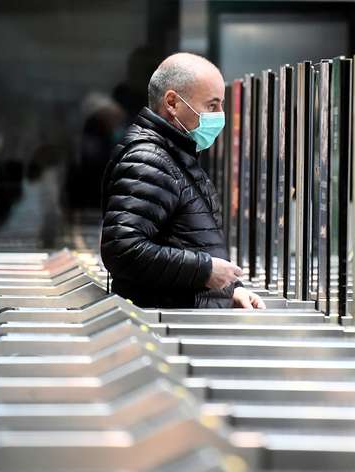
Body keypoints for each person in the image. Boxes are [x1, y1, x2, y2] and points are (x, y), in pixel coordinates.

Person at [100, 52, 264, 309]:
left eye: (221, 104)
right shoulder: (149, 159)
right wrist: (205, 270)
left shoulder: (177, 155)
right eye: (212, 105)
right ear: (173, 103)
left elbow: (189, 240)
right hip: (165, 325)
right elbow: (123, 250)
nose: (220, 115)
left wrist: (230, 288)